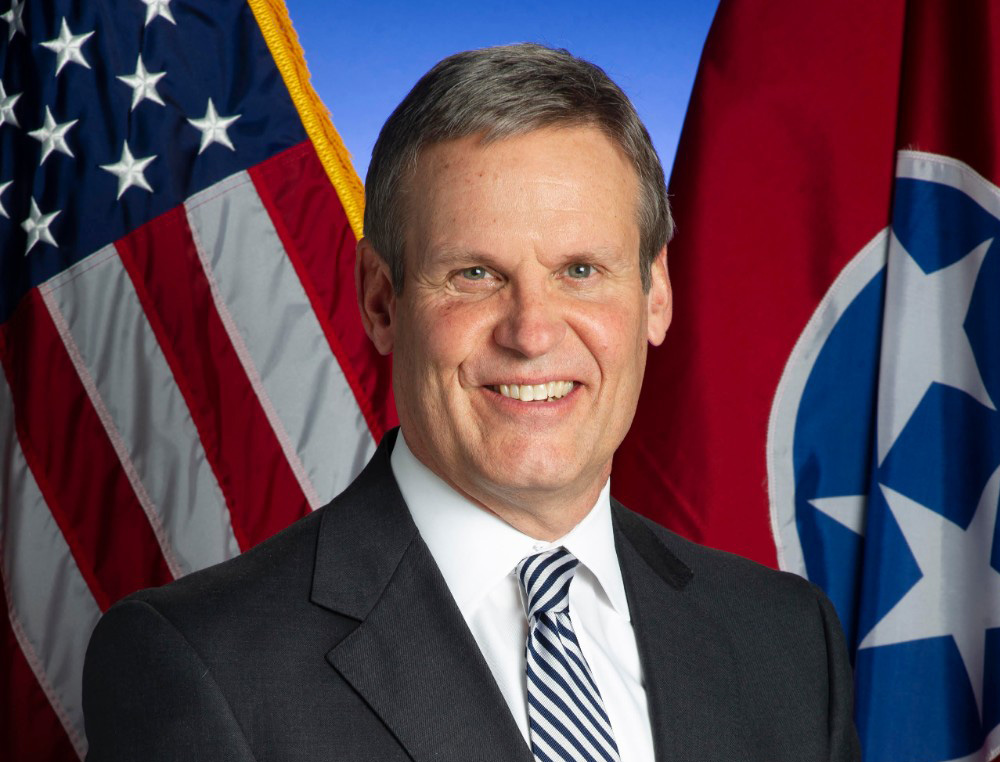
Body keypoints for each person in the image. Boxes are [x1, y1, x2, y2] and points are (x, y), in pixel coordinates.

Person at [83, 44, 860, 761]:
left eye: (580, 271)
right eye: (475, 275)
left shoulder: (787, 642)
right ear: (381, 301)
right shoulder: (203, 664)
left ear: (655, 294)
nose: (531, 332)